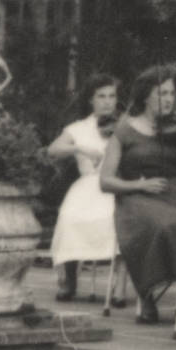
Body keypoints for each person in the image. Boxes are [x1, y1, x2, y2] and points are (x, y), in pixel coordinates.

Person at [100, 65, 176, 324]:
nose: (169, 99)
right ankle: (147, 291)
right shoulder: (125, 130)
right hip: (137, 197)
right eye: (162, 93)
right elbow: (105, 181)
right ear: (145, 97)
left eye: (172, 93)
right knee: (164, 225)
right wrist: (139, 186)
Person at [46, 73, 122, 304]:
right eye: (101, 96)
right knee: (69, 218)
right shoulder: (78, 128)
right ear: (91, 100)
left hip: (115, 184)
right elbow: (53, 149)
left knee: (117, 219)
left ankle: (118, 287)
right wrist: (80, 149)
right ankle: (68, 280)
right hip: (88, 185)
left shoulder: (125, 125)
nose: (108, 102)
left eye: (112, 96)